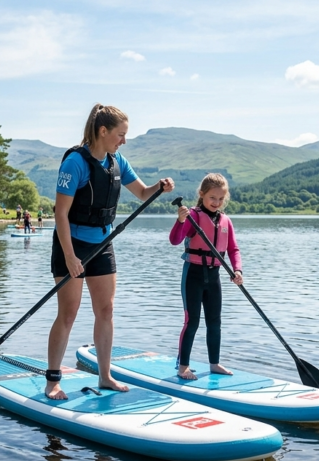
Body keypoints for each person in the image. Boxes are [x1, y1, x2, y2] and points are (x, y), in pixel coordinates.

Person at [44, 103, 175, 400]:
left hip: (102, 244)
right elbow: (61, 214)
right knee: (68, 313)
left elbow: (142, 192)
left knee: (106, 310)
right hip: (72, 244)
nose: (124, 140)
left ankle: (105, 376)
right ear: (103, 131)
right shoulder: (75, 163)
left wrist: (160, 186)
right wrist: (69, 256)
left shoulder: (118, 162)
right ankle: (53, 380)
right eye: (121, 134)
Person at [168, 173, 243, 379]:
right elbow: (175, 240)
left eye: (220, 199)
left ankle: (214, 363)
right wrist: (180, 221)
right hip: (193, 274)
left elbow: (233, 249)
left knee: (215, 322)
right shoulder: (193, 216)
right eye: (212, 198)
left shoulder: (226, 220)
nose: (216, 202)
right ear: (202, 194)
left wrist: (237, 270)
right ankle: (183, 366)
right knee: (191, 322)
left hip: (214, 277)